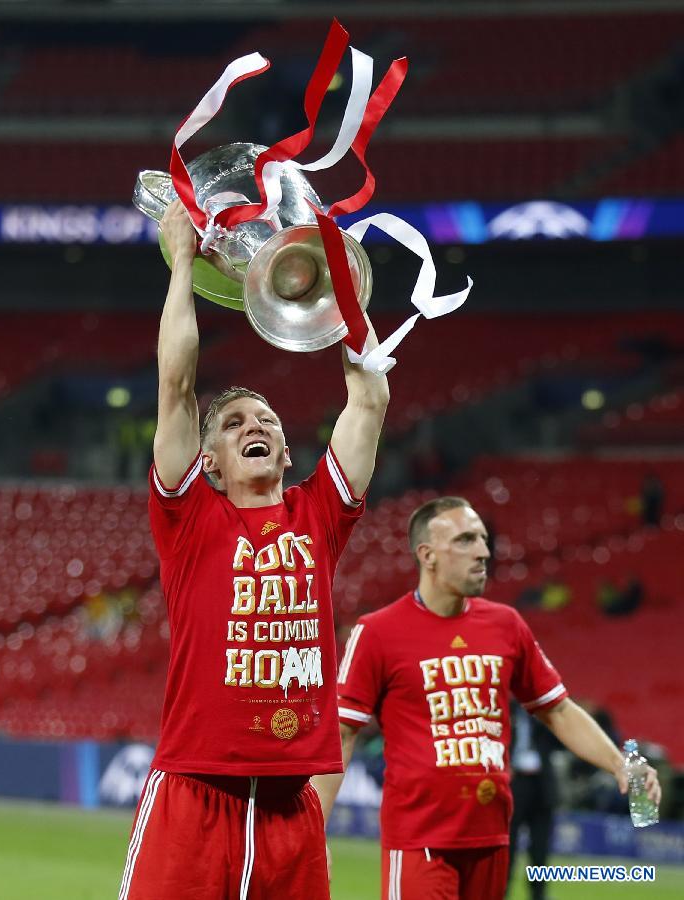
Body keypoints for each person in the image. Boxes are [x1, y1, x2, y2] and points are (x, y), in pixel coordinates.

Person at [118, 200, 390, 900]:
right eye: (234, 423)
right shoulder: (189, 519)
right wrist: (183, 259)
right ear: (208, 461)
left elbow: (369, 402)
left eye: (265, 418)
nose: (253, 424)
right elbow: (175, 386)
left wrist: (342, 304)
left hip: (289, 809)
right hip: (193, 794)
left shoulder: (318, 514)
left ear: (286, 447)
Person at [312, 496, 661, 900]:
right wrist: (312, 833)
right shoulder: (377, 633)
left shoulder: (506, 625)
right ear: (427, 555)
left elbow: (558, 709)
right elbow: (342, 735)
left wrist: (620, 764)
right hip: (420, 842)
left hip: (493, 838)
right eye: (464, 541)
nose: (483, 552)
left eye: (482, 539)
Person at [507, 701, 560, 900]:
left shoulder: (546, 711)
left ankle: (539, 895)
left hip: (542, 785)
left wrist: (542, 715)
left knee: (540, 849)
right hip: (514, 781)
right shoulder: (508, 709)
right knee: (507, 846)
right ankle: (501, 892)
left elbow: (559, 741)